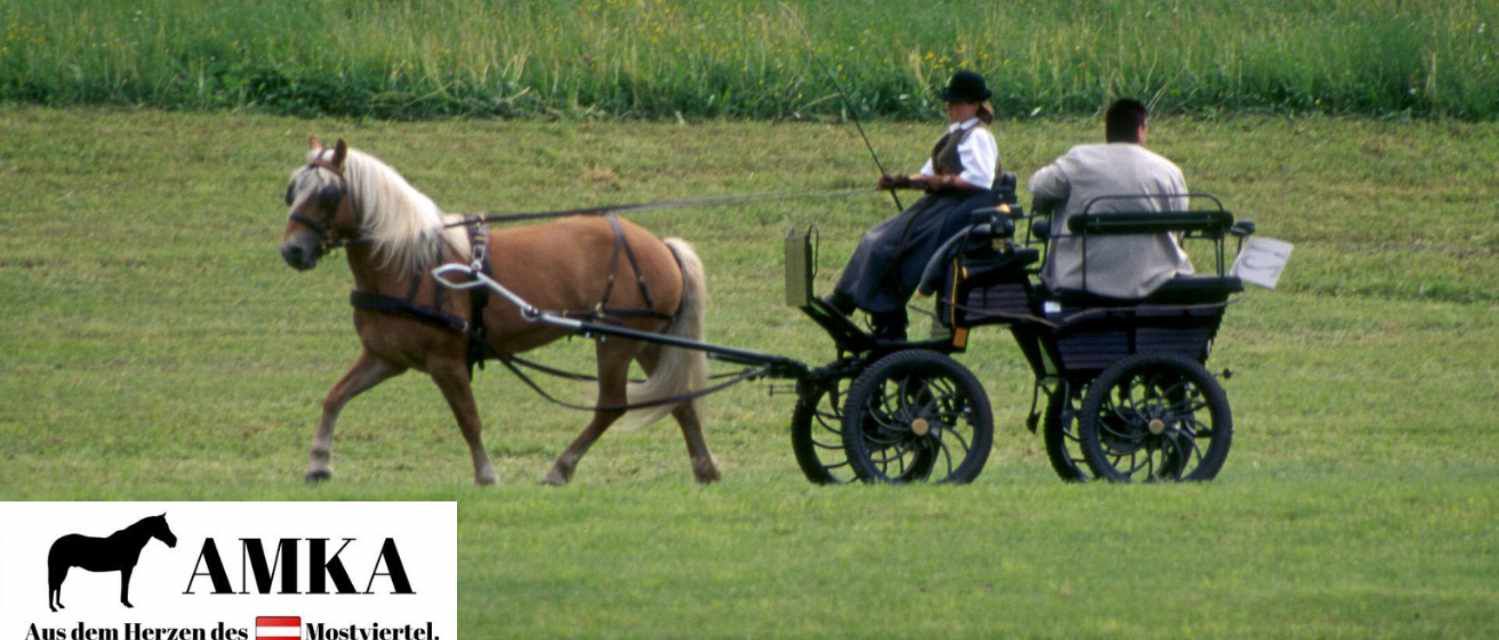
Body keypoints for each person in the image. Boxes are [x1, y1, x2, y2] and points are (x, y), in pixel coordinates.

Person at [826, 70, 1001, 339]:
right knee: (876, 238)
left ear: (975, 104)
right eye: (950, 102)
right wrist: (901, 181)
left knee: (893, 246)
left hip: (966, 209)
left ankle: (889, 316)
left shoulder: (978, 136)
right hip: (944, 204)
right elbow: (929, 174)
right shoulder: (952, 136)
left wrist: (942, 183)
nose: (950, 108)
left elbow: (980, 180)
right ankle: (845, 299)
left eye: (957, 103)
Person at [1028, 98, 1194, 299]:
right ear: (1141, 129)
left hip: (1081, 280)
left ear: (1108, 129)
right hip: (1156, 280)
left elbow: (1039, 188)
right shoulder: (1169, 171)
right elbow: (1179, 226)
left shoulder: (1080, 160)